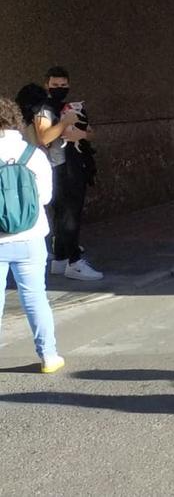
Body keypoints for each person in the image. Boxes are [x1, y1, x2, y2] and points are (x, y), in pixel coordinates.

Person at [0, 97, 64, 373]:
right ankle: (48, 356)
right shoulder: (34, 154)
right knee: (36, 298)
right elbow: (46, 198)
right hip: (31, 237)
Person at [34, 66, 103, 281]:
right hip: (57, 167)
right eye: (55, 85)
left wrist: (80, 133)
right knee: (68, 216)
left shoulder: (70, 107)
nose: (60, 89)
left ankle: (61, 259)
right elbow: (44, 138)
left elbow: (90, 134)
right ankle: (74, 261)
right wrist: (65, 123)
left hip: (75, 164)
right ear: (47, 85)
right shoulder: (44, 109)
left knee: (68, 214)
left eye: (63, 85)